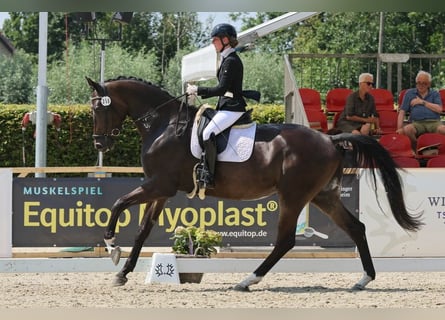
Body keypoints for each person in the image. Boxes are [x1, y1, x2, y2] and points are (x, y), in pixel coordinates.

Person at [186, 23, 248, 189]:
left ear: (225, 40)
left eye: (215, 40)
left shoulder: (232, 61)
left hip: (233, 107)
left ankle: (209, 175)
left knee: (208, 133)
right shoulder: (226, 59)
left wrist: (197, 90)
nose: (213, 43)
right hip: (226, 106)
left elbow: (221, 89)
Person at [396, 70, 444, 148]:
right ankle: (417, 147)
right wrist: (399, 128)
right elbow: (402, 112)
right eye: (419, 83)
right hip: (416, 123)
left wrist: (422, 102)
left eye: (424, 83)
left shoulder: (435, 93)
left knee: (443, 130)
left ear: (429, 84)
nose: (421, 85)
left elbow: (439, 109)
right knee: (407, 129)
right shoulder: (409, 93)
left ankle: (439, 150)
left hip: (434, 122)